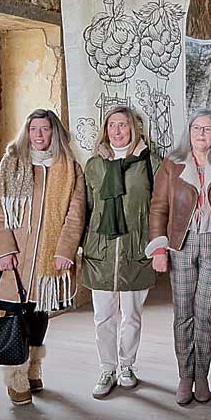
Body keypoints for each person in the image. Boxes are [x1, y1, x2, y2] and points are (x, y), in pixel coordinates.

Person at [0, 109, 87, 406]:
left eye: (45, 129)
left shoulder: (70, 169)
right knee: (14, 316)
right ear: (27, 132)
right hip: (15, 257)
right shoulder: (12, 163)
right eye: (33, 129)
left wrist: (65, 250)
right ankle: (15, 378)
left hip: (47, 259)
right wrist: (4, 250)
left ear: (55, 133)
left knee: (37, 316)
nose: (38, 135)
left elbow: (76, 214)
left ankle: (34, 367)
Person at [147, 109, 211, 405]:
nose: (202, 134)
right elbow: (158, 208)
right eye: (197, 129)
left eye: (208, 129)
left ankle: (202, 374)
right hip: (182, 244)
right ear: (188, 132)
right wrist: (159, 247)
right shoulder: (171, 165)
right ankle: (184, 375)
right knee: (183, 314)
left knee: (205, 314)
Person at [80, 106, 156, 398]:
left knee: (132, 315)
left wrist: (157, 243)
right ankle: (107, 367)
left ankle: (127, 364)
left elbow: (160, 207)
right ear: (105, 129)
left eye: (123, 125)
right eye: (112, 125)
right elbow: (85, 207)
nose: (117, 131)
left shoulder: (150, 163)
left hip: (135, 251)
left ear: (133, 129)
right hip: (101, 251)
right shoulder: (94, 165)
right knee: (103, 315)